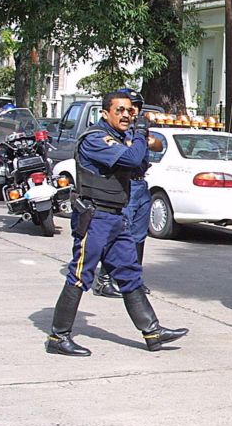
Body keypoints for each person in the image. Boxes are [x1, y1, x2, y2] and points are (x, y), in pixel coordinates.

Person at [44, 91, 188, 356]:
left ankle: (152, 331)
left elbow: (140, 163)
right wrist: (142, 132)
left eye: (130, 111)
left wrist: (140, 138)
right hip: (95, 217)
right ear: (105, 113)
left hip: (115, 217)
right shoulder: (96, 138)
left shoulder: (122, 139)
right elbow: (134, 158)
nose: (126, 115)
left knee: (130, 273)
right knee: (80, 275)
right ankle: (58, 337)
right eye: (120, 110)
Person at [92, 89, 160, 298]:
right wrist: (137, 139)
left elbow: (157, 144)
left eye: (136, 108)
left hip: (141, 185)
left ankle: (133, 280)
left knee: (139, 236)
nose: (133, 112)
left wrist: (144, 137)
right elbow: (129, 155)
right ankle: (105, 279)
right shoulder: (115, 132)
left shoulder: (138, 130)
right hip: (125, 185)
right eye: (130, 107)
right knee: (119, 233)